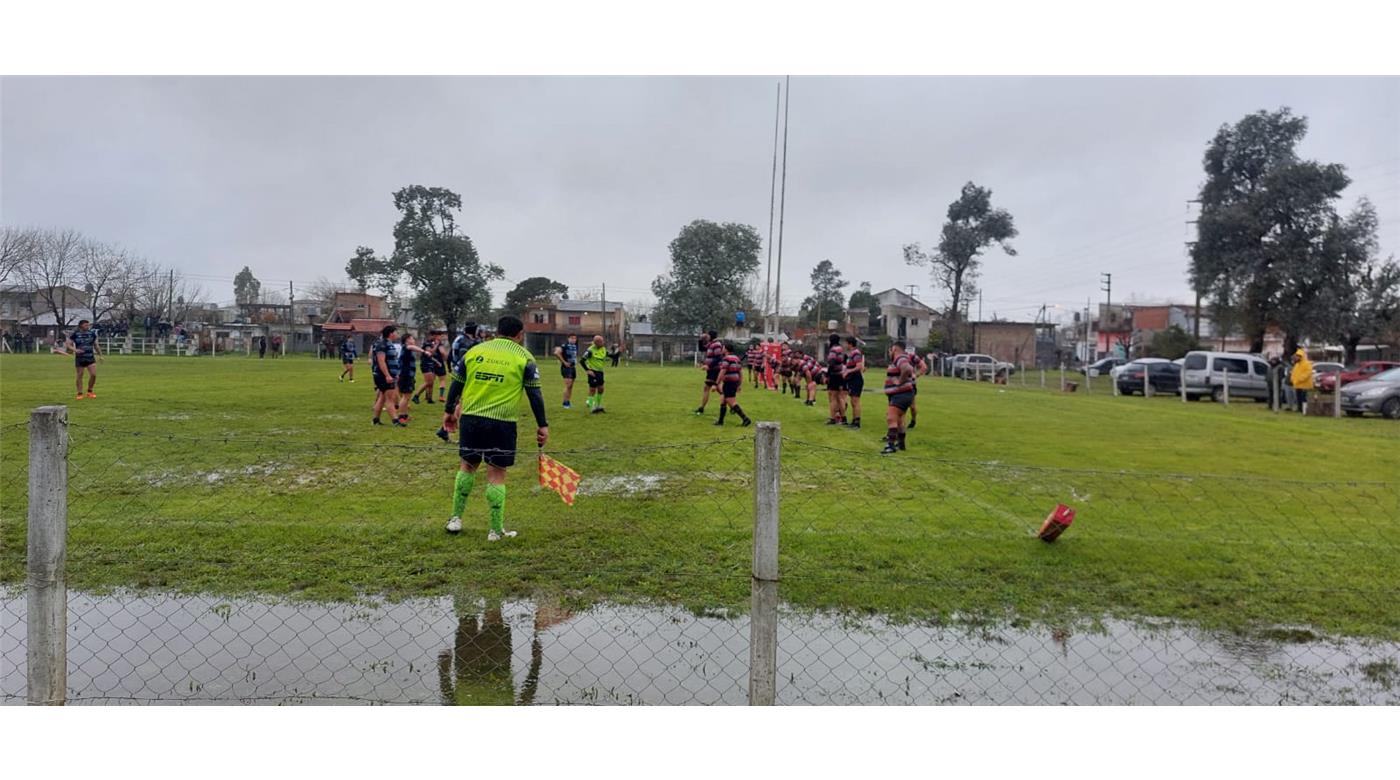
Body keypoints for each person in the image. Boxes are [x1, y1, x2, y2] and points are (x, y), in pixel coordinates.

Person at [441, 315, 549, 540]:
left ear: (498, 331)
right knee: (497, 473)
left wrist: (449, 411)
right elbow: (534, 394)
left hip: (471, 419)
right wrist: (542, 425)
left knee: (467, 466)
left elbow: (456, 383)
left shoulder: (475, 351)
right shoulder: (524, 357)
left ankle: (455, 519)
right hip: (502, 422)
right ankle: (495, 530)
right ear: (520, 335)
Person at [882, 340, 916, 454]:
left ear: (895, 349)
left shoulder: (900, 358)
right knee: (900, 420)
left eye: (890, 350)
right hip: (903, 394)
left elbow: (907, 369)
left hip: (901, 394)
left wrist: (899, 382)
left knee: (891, 418)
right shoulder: (901, 358)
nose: (889, 352)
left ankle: (890, 445)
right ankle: (901, 444)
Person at [393, 333, 431, 425]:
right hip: (406, 375)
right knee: (405, 397)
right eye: (412, 338)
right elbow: (411, 347)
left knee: (407, 397)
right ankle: (401, 416)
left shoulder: (406, 349)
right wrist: (424, 351)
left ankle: (405, 415)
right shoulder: (406, 347)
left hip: (407, 375)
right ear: (407, 340)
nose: (414, 340)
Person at [714, 341, 753, 427]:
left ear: (726, 349)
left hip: (729, 382)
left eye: (723, 348)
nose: (722, 349)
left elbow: (722, 371)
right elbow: (740, 372)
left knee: (731, 401)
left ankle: (745, 419)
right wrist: (739, 384)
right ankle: (720, 421)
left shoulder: (726, 359)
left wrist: (716, 383)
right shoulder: (736, 358)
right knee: (723, 400)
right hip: (734, 382)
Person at [370, 325, 401, 426]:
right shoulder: (382, 344)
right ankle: (395, 421)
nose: (397, 334)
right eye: (396, 332)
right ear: (391, 334)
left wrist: (395, 373)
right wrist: (387, 375)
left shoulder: (389, 344)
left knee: (382, 398)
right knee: (390, 399)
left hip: (389, 374)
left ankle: (376, 419)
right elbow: (381, 361)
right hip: (383, 375)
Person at [64, 319, 103, 399]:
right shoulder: (75, 334)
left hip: (90, 357)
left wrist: (100, 355)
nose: (88, 326)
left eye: (88, 325)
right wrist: (75, 350)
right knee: (79, 376)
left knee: (93, 375)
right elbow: (68, 344)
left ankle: (90, 391)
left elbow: (96, 345)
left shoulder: (92, 334)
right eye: (86, 325)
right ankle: (80, 393)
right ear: (81, 326)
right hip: (80, 358)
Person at [694, 330, 725, 415]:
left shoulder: (716, 344)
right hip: (711, 370)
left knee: (706, 388)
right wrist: (700, 339)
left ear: (711, 336)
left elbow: (718, 357)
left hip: (714, 369)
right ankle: (732, 404)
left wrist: (709, 365)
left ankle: (701, 408)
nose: (706, 337)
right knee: (719, 390)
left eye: (707, 335)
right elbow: (701, 348)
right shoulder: (711, 344)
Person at [412, 330, 447, 405]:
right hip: (426, 364)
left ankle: (429, 398)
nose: (436, 337)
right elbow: (430, 352)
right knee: (428, 382)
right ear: (431, 336)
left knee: (431, 382)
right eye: (435, 336)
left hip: (431, 363)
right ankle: (416, 396)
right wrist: (437, 345)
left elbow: (432, 356)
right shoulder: (427, 343)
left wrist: (437, 362)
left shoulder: (432, 343)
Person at [580, 334, 610, 413]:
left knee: (601, 389)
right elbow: (582, 361)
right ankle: (591, 406)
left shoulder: (603, 349)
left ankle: (598, 405)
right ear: (597, 342)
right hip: (592, 372)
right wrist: (587, 370)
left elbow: (610, 355)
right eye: (601, 341)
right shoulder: (590, 350)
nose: (603, 342)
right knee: (592, 389)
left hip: (600, 371)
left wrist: (618, 352)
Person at [841, 335, 865, 429]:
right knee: (852, 401)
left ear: (850, 344)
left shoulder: (856, 353)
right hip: (851, 379)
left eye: (846, 343)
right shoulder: (851, 353)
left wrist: (848, 371)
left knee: (855, 401)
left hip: (856, 379)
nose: (845, 345)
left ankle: (857, 422)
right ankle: (854, 420)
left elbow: (859, 366)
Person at [825, 334, 847, 425]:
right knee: (840, 397)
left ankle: (833, 418)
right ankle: (843, 417)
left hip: (834, 375)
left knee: (833, 397)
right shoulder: (841, 349)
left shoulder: (833, 350)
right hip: (841, 374)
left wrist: (828, 375)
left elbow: (831, 363)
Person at [553, 333, 579, 409]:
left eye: (575, 338)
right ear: (568, 338)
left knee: (571, 386)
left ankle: (568, 401)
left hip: (573, 367)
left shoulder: (574, 346)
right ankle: (565, 403)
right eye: (572, 338)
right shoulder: (564, 346)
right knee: (568, 385)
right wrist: (564, 362)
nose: (573, 340)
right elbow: (556, 353)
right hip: (566, 368)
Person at [1290, 348, 1314, 413]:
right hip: (1298, 385)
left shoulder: (1307, 364)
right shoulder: (1297, 365)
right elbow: (1293, 373)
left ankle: (1304, 410)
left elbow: (1307, 373)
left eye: (1297, 356)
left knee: (1304, 399)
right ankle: (1300, 409)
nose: (1296, 358)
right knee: (1299, 398)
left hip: (1305, 385)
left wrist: (1299, 379)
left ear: (1301, 357)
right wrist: (1292, 379)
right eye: (1296, 356)